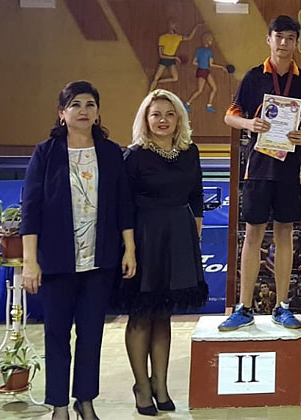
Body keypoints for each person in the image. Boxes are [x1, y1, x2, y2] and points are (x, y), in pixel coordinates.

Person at [20, 81, 136, 420]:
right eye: (75, 105)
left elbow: (124, 204)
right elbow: (31, 209)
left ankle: (85, 401)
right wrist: (30, 261)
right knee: (57, 335)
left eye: (90, 105)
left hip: (100, 261)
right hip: (57, 263)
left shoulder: (111, 152)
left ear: (98, 113)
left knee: (91, 335)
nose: (83, 111)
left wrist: (129, 249)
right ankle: (59, 405)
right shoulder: (46, 153)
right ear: (62, 113)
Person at [218, 15, 301, 331]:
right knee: (253, 234)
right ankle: (244, 306)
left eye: (290, 38)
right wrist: (249, 123)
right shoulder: (253, 77)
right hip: (258, 169)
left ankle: (282, 305)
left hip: (289, 169)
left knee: (285, 234)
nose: (284, 43)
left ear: (296, 42)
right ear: (269, 39)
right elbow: (230, 116)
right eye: (279, 37)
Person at [123, 89, 208, 415]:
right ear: (145, 119)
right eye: (156, 114)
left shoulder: (190, 152)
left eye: (169, 114)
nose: (163, 120)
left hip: (179, 236)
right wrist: (129, 248)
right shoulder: (134, 156)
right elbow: (123, 206)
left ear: (179, 119)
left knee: (163, 315)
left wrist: (194, 234)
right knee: (142, 314)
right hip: (144, 238)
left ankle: (160, 385)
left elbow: (196, 195)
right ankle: (142, 387)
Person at [149, 19, 203, 91]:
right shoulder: (162, 37)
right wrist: (175, 58)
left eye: (174, 25)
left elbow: (189, 37)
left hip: (171, 60)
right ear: (168, 26)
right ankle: (150, 91)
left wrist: (196, 27)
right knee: (156, 77)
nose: (174, 26)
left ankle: (158, 82)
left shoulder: (177, 37)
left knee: (175, 78)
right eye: (172, 24)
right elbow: (161, 55)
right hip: (164, 59)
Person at [185, 32, 226, 113]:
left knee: (213, 88)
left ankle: (209, 106)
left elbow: (194, 62)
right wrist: (221, 67)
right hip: (204, 71)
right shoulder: (209, 51)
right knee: (201, 90)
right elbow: (211, 64)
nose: (211, 41)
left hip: (202, 71)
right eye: (211, 40)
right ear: (208, 41)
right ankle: (187, 104)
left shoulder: (199, 50)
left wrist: (202, 64)